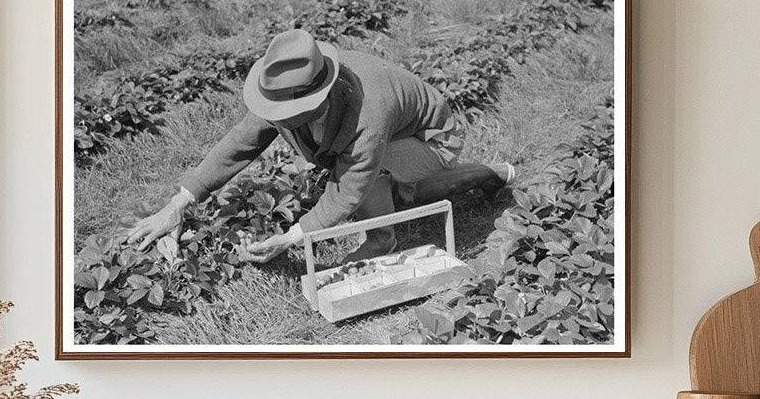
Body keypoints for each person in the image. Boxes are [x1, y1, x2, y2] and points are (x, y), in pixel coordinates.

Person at [127, 28, 512, 263]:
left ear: (318, 99)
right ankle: (484, 175)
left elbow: (350, 184)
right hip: (392, 140)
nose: (277, 119)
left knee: (376, 179)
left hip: (431, 137)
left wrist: (294, 237)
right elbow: (240, 144)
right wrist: (177, 205)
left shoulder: (369, 110)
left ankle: (383, 238)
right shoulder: (286, 88)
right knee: (395, 193)